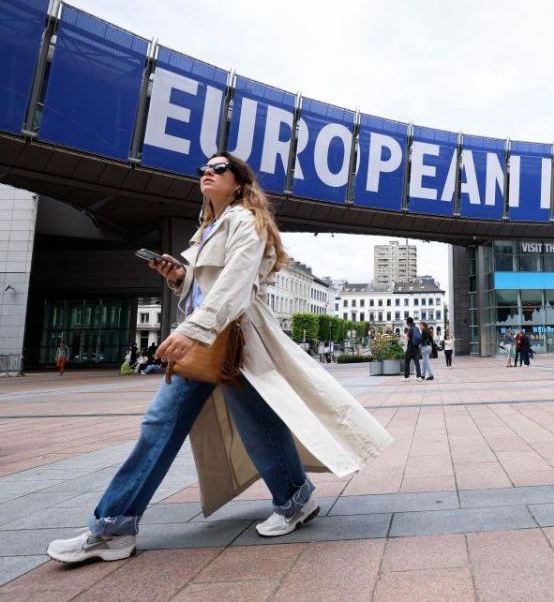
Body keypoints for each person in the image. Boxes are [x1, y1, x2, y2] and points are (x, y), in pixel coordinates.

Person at [47, 152, 392, 564]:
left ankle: (295, 500)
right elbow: (207, 286)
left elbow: (234, 283)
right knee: (166, 425)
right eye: (203, 170)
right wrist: (180, 277)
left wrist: (191, 331)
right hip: (210, 342)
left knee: (256, 426)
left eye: (217, 169)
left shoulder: (247, 221)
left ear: (240, 182)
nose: (206, 174)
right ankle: (114, 526)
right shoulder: (207, 229)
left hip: (235, 342)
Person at [403, 316, 423, 381]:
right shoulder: (416, 328)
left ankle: (406, 377)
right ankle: (419, 377)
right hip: (416, 348)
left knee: (406, 361)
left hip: (410, 348)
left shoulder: (410, 329)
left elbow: (409, 338)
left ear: (408, 322)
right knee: (417, 362)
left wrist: (404, 336)